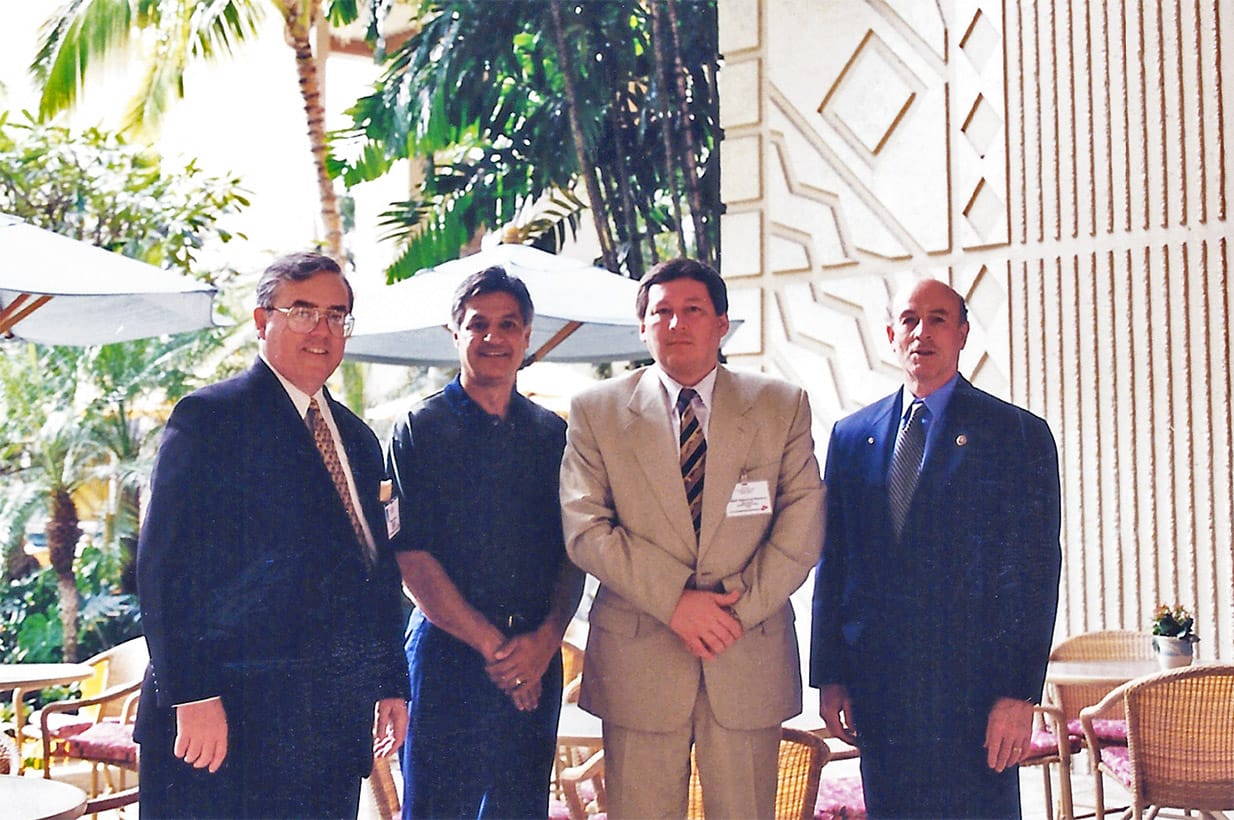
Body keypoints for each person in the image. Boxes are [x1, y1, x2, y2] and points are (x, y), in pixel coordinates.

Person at [135, 251, 410, 818]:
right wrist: (192, 694)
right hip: (224, 722)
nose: (323, 329)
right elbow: (165, 570)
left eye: (338, 315)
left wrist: (389, 680)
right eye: (304, 310)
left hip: (329, 729)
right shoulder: (209, 419)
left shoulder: (358, 441)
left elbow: (376, 569)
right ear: (263, 321)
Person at [560, 257, 826, 819]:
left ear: (721, 322)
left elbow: (803, 523)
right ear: (642, 327)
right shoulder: (595, 411)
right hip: (639, 659)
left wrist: (733, 612)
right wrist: (676, 603)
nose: (677, 323)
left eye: (693, 310)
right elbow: (586, 528)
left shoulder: (781, 405)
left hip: (745, 649)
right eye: (662, 312)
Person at [809, 277, 1062, 818]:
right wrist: (831, 676)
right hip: (883, 694)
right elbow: (837, 562)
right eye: (909, 320)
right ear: (890, 335)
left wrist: (1020, 694)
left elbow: (1035, 574)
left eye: (939, 319)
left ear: (963, 333)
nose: (922, 332)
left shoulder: (1016, 433)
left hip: (978, 698)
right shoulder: (852, 436)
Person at [386, 265, 584, 819]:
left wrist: (544, 643)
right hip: (450, 658)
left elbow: (575, 552)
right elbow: (412, 558)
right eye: (479, 325)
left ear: (527, 336)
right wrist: (498, 652)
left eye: (508, 325)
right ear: (456, 334)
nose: (493, 338)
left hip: (538, 659)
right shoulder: (418, 429)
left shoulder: (554, 434)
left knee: (520, 810)